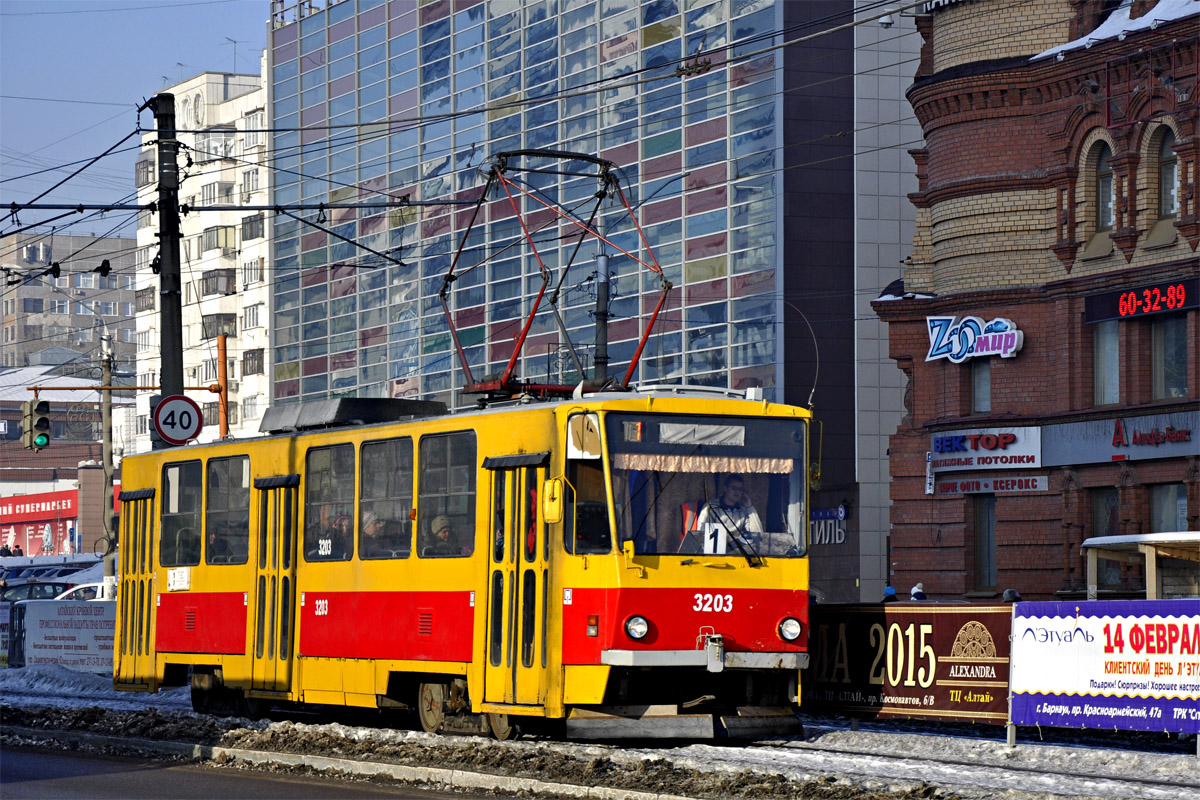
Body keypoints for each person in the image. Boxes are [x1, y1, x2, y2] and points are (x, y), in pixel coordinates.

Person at [695, 474, 763, 550]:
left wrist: (750, 507)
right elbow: (701, 533)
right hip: (715, 551)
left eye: (740, 489)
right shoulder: (710, 507)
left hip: (738, 552)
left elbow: (758, 534)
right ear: (725, 488)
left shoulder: (743, 510)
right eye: (734, 488)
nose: (737, 492)